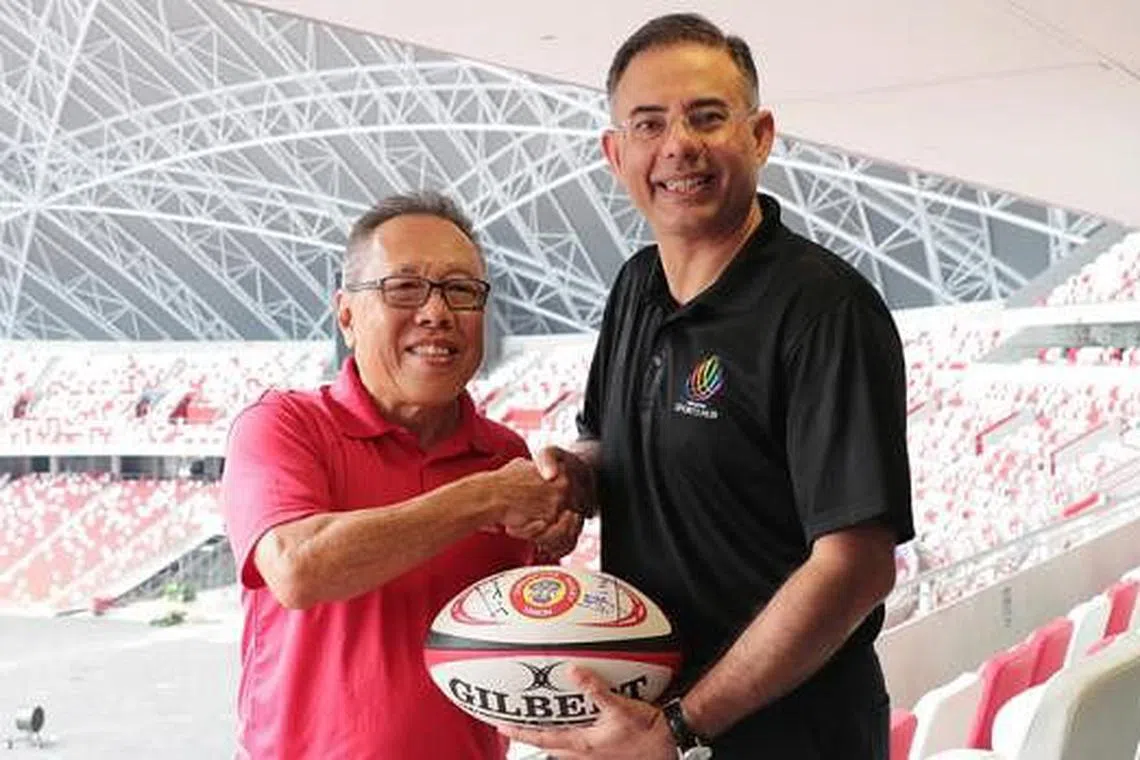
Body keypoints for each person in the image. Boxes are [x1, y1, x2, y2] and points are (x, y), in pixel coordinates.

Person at [502, 13, 915, 760]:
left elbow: (856, 563)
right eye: (648, 124)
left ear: (759, 135)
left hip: (789, 736)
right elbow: (607, 439)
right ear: (615, 153)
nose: (677, 146)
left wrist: (681, 727)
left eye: (706, 116)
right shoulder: (635, 286)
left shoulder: (824, 309)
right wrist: (576, 476)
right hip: (650, 721)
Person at [221, 191, 585, 760]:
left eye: (460, 290)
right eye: (405, 287)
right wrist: (484, 497)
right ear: (346, 315)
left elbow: (523, 651)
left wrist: (554, 542)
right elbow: (298, 569)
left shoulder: (506, 455)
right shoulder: (283, 425)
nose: (436, 312)